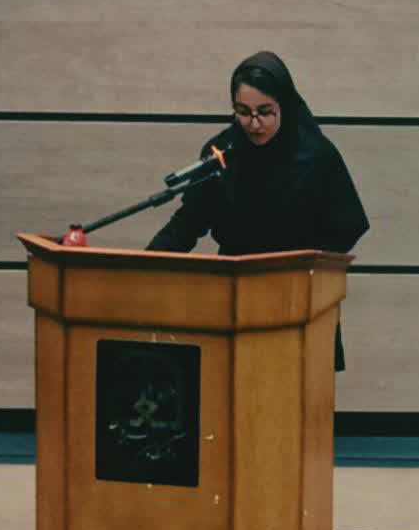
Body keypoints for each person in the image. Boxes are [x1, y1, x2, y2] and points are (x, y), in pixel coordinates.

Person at [146, 50, 369, 368]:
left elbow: (349, 224)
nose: (254, 123)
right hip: (235, 301)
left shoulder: (317, 156)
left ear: (284, 106)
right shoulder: (223, 153)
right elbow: (188, 222)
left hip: (298, 302)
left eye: (265, 112)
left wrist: (303, 268)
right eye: (243, 112)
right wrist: (146, 266)